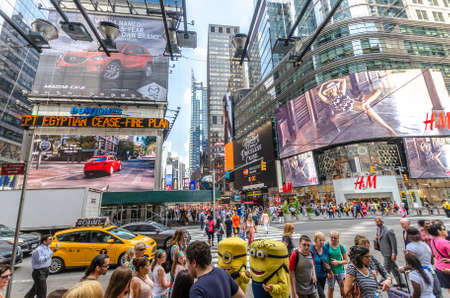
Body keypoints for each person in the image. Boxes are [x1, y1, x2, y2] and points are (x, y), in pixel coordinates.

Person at [317, 77, 397, 136]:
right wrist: (323, 84)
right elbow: (319, 94)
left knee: (377, 91)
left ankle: (365, 104)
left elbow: (343, 80)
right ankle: (389, 129)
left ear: (335, 87)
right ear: (328, 92)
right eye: (330, 90)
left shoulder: (341, 92)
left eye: (333, 88)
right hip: (349, 108)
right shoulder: (329, 100)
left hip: (355, 102)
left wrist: (330, 80)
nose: (332, 90)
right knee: (366, 107)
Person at [403, 227, 442, 298]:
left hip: (419, 273)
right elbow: (432, 261)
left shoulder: (410, 246)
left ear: (408, 236)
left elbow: (412, 262)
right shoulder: (425, 245)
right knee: (437, 293)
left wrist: (403, 268)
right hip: (430, 271)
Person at [374, 217, 404, 286]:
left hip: (389, 253)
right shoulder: (378, 229)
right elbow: (379, 237)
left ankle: (382, 281)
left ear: (382, 221)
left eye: (378, 222)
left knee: (385, 268)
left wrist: (394, 253)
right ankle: (401, 282)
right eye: (376, 222)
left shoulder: (389, 230)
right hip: (384, 252)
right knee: (394, 268)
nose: (377, 223)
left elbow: (394, 243)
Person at [428, 222, 450, 295]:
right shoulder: (446, 243)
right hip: (448, 269)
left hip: (440, 268)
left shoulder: (433, 240)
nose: (446, 230)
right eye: (444, 229)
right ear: (439, 231)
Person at [326, 231, 347, 298]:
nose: (333, 239)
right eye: (331, 237)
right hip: (331, 272)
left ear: (338, 238)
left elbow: (346, 261)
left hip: (340, 271)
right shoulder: (327, 246)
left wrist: (338, 262)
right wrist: (328, 271)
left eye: (335, 238)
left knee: (343, 289)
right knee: (331, 289)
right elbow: (324, 261)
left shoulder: (341, 247)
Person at [311, 232, 332, 298]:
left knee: (321, 293)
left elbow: (326, 261)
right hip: (315, 277)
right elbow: (311, 263)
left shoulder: (325, 248)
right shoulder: (311, 249)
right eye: (320, 240)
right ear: (315, 240)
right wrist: (313, 275)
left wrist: (329, 272)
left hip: (323, 275)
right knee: (322, 295)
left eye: (323, 240)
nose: (322, 242)